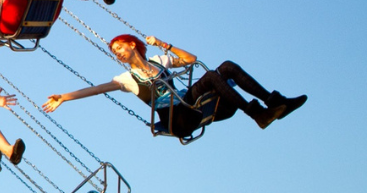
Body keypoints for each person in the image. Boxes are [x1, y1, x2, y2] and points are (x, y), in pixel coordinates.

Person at [43, 34, 307, 136]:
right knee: (215, 77)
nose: (118, 53)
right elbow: (96, 89)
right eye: (115, 52)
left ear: (132, 44)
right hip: (176, 118)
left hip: (188, 102)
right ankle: (257, 114)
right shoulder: (126, 80)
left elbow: (191, 60)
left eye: (120, 47)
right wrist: (64, 97)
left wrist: (164, 44)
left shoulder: (159, 60)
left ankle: (273, 102)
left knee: (225, 67)